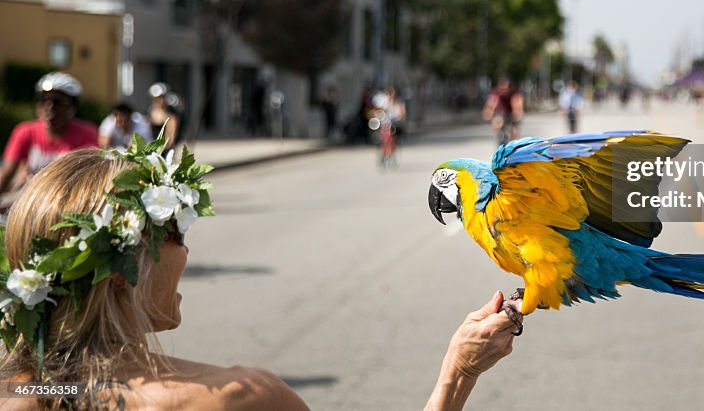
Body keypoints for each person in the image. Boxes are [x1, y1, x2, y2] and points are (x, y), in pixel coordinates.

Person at [0, 146, 520, 409]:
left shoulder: (23, 392)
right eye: (177, 232)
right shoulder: (237, 397)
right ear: (123, 271)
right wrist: (458, 372)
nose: (188, 250)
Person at [0, 72, 99, 210]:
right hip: (28, 198)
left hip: (68, 202)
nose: (49, 107)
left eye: (57, 102)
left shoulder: (87, 134)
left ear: (72, 107)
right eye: (43, 100)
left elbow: (92, 178)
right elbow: (6, 173)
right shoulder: (24, 131)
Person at [482, 78, 524, 143]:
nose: (503, 90)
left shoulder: (515, 94)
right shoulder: (496, 93)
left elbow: (518, 107)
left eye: (505, 88)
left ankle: (514, 145)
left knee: (514, 131)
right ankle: (501, 137)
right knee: (497, 122)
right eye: (501, 88)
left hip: (511, 112)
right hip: (501, 113)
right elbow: (490, 105)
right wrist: (488, 114)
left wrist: (517, 117)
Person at [148, 83, 181, 153]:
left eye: (161, 97)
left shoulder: (171, 116)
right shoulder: (149, 113)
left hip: (163, 150)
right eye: (156, 98)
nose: (159, 100)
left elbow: (170, 138)